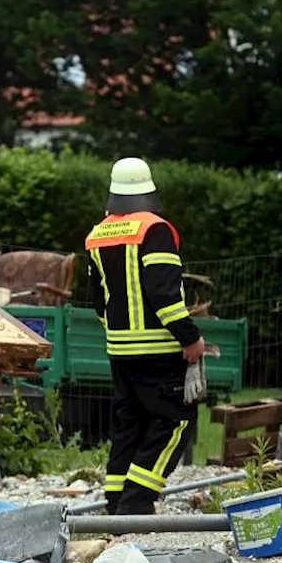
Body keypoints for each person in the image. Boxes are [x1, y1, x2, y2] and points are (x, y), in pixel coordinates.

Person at [86, 157, 205, 515]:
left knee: (130, 426)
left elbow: (97, 301)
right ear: (149, 189)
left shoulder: (97, 234)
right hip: (159, 348)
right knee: (174, 421)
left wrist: (120, 335)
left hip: (119, 350)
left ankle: (115, 501)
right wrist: (189, 337)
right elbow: (164, 293)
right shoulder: (156, 230)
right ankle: (136, 502)